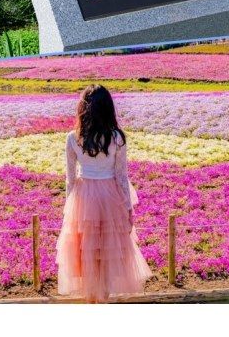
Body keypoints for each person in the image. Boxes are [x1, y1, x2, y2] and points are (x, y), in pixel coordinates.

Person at [56, 85, 152, 303]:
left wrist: (68, 209)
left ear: (83, 109)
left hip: (83, 199)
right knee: (107, 257)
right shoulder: (117, 137)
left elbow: (70, 180)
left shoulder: (73, 138)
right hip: (111, 197)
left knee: (86, 255)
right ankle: (103, 302)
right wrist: (128, 210)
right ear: (109, 108)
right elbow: (121, 177)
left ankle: (91, 302)